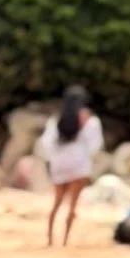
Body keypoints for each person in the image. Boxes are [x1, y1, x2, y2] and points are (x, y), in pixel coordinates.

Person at [36, 84, 104, 247]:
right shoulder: (89, 120)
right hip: (79, 165)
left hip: (59, 165)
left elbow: (46, 143)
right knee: (72, 206)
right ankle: (65, 241)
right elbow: (95, 145)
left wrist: (54, 158)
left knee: (57, 203)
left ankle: (50, 240)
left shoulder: (56, 120)